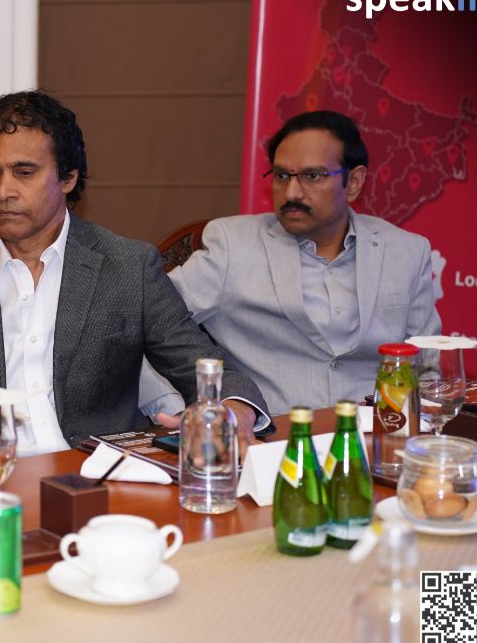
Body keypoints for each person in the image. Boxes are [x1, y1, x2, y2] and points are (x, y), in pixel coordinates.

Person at [0, 91, 268, 477]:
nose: (3, 191)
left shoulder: (127, 267)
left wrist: (232, 408)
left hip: (97, 477)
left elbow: (207, 369)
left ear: (68, 178)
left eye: (24, 172)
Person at [165, 110, 441, 415]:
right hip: (273, 433)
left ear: (354, 182)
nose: (292, 193)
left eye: (312, 176)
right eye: (282, 176)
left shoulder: (406, 251)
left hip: (377, 431)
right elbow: (148, 325)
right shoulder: (232, 245)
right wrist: (170, 406)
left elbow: (426, 368)